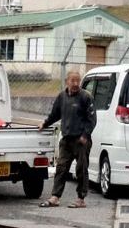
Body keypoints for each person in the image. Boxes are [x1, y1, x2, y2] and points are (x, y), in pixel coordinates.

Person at [38, 70, 97, 208]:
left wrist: (85, 136)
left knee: (81, 169)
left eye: (78, 80)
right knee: (61, 168)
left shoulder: (86, 97)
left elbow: (92, 120)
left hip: (81, 141)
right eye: (73, 81)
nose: (76, 83)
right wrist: (45, 123)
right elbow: (55, 114)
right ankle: (55, 196)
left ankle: (81, 198)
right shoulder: (62, 97)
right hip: (66, 140)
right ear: (67, 82)